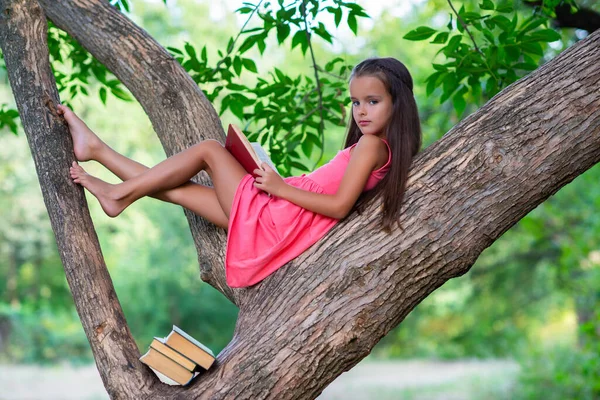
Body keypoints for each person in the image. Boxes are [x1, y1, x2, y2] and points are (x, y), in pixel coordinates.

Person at [58, 57, 422, 288]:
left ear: (397, 103)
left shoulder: (372, 145)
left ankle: (117, 193)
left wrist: (279, 188)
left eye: (373, 102)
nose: (361, 111)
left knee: (209, 150)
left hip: (278, 217)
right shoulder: (378, 148)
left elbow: (340, 205)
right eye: (356, 102)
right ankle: (98, 151)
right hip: (281, 217)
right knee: (176, 190)